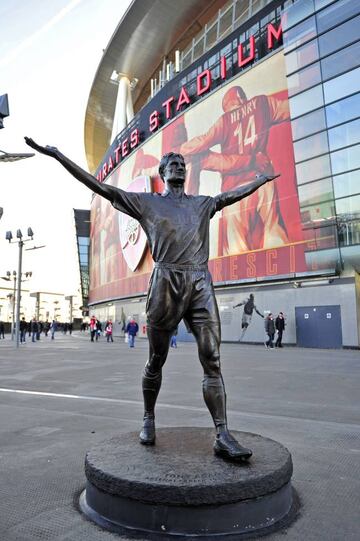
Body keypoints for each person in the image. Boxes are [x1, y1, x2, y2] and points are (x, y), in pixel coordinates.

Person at [24, 136, 279, 462]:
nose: (178, 166)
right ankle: (148, 416)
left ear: (186, 173)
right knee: (157, 359)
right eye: (171, 163)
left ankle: (222, 433)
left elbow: (230, 195)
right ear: (162, 172)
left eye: (182, 164)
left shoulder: (201, 204)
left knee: (212, 358)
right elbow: (106, 190)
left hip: (200, 281)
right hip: (165, 283)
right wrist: (60, 154)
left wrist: (258, 180)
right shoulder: (147, 203)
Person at [180, 85, 290, 254]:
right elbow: (291, 106)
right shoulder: (262, 103)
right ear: (241, 98)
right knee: (274, 230)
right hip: (263, 181)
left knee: (237, 246)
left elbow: (202, 143)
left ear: (227, 105)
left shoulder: (224, 121)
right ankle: (285, 269)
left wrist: (182, 150)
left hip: (235, 191)